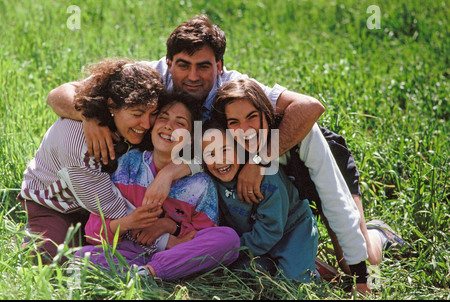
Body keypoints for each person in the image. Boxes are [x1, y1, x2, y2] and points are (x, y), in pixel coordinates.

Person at [45, 14, 325, 207]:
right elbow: (57, 95)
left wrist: (259, 159)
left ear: (219, 67)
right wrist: (88, 114)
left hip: (220, 176)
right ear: (168, 63)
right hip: (140, 177)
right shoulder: (148, 75)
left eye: (203, 66)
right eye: (183, 65)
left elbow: (309, 106)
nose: (192, 76)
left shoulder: (233, 87)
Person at [211, 79, 393, 293]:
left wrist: (364, 281)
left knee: (357, 262)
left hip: (325, 169)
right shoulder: (231, 143)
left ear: (267, 113)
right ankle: (305, 260)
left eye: (252, 117)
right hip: (286, 193)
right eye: (234, 122)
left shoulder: (304, 135)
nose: (245, 129)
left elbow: (337, 202)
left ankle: (379, 233)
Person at [77, 91, 240, 280]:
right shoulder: (128, 164)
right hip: (126, 252)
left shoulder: (201, 184)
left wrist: (171, 227)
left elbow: (200, 238)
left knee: (229, 239)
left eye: (180, 123)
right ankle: (142, 273)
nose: (169, 127)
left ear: (190, 137)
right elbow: (92, 232)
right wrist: (128, 222)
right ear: (152, 125)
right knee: (81, 257)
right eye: (163, 118)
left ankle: (150, 273)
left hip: (174, 257)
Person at [19, 59, 165, 263]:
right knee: (51, 259)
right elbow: (110, 207)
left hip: (97, 201)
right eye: (137, 114)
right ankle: (40, 233)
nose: (147, 124)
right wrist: (161, 231)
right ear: (112, 106)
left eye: (153, 114)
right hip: (58, 205)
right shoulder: (77, 142)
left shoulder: (124, 123)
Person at [202, 122, 318, 282]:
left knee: (293, 284)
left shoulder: (266, 178)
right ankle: (271, 263)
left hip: (291, 231)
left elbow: (270, 230)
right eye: (210, 154)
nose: (220, 160)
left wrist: (230, 249)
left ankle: (310, 266)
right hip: (254, 240)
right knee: (240, 276)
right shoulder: (212, 180)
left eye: (226, 150)